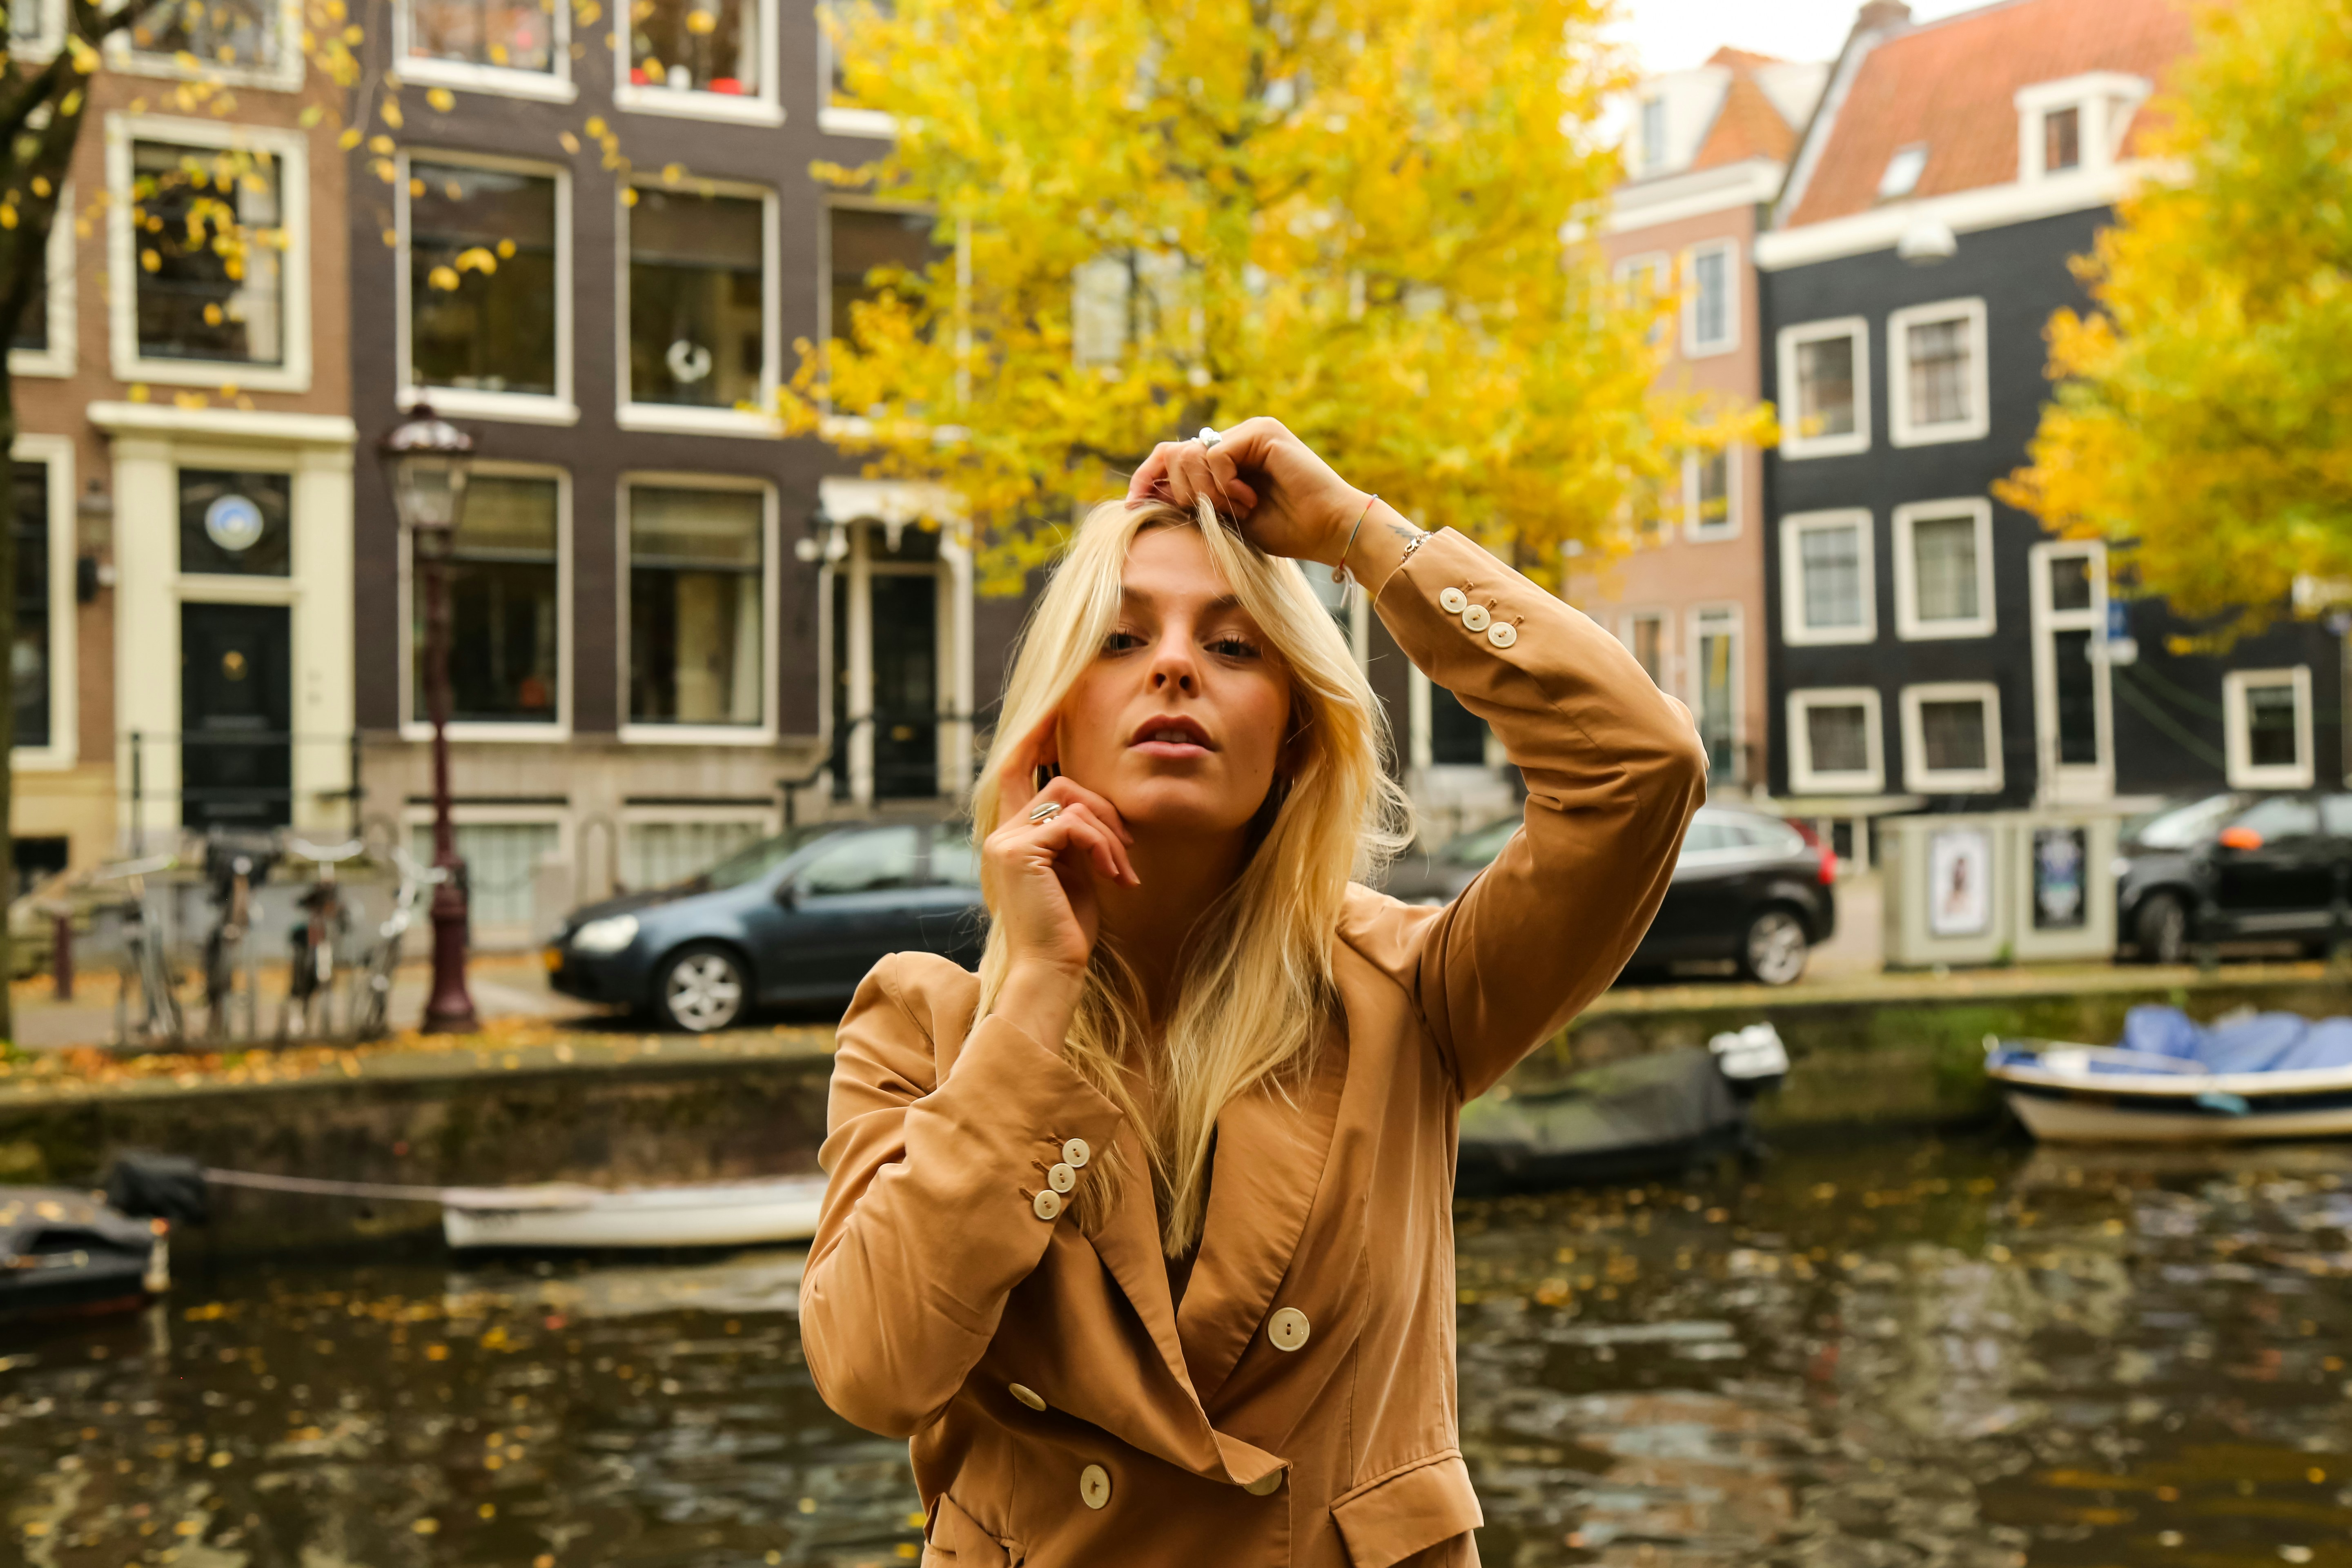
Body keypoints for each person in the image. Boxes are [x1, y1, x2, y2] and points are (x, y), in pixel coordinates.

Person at [802, 417, 1707, 1567]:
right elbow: (875, 1373)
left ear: (1291, 737)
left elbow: (1640, 768)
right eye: (1122, 638)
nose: (1176, 665)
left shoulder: (1414, 996)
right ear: (1052, 724)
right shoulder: (924, 1023)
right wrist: (1033, 993)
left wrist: (1358, 535)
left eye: (1234, 649)